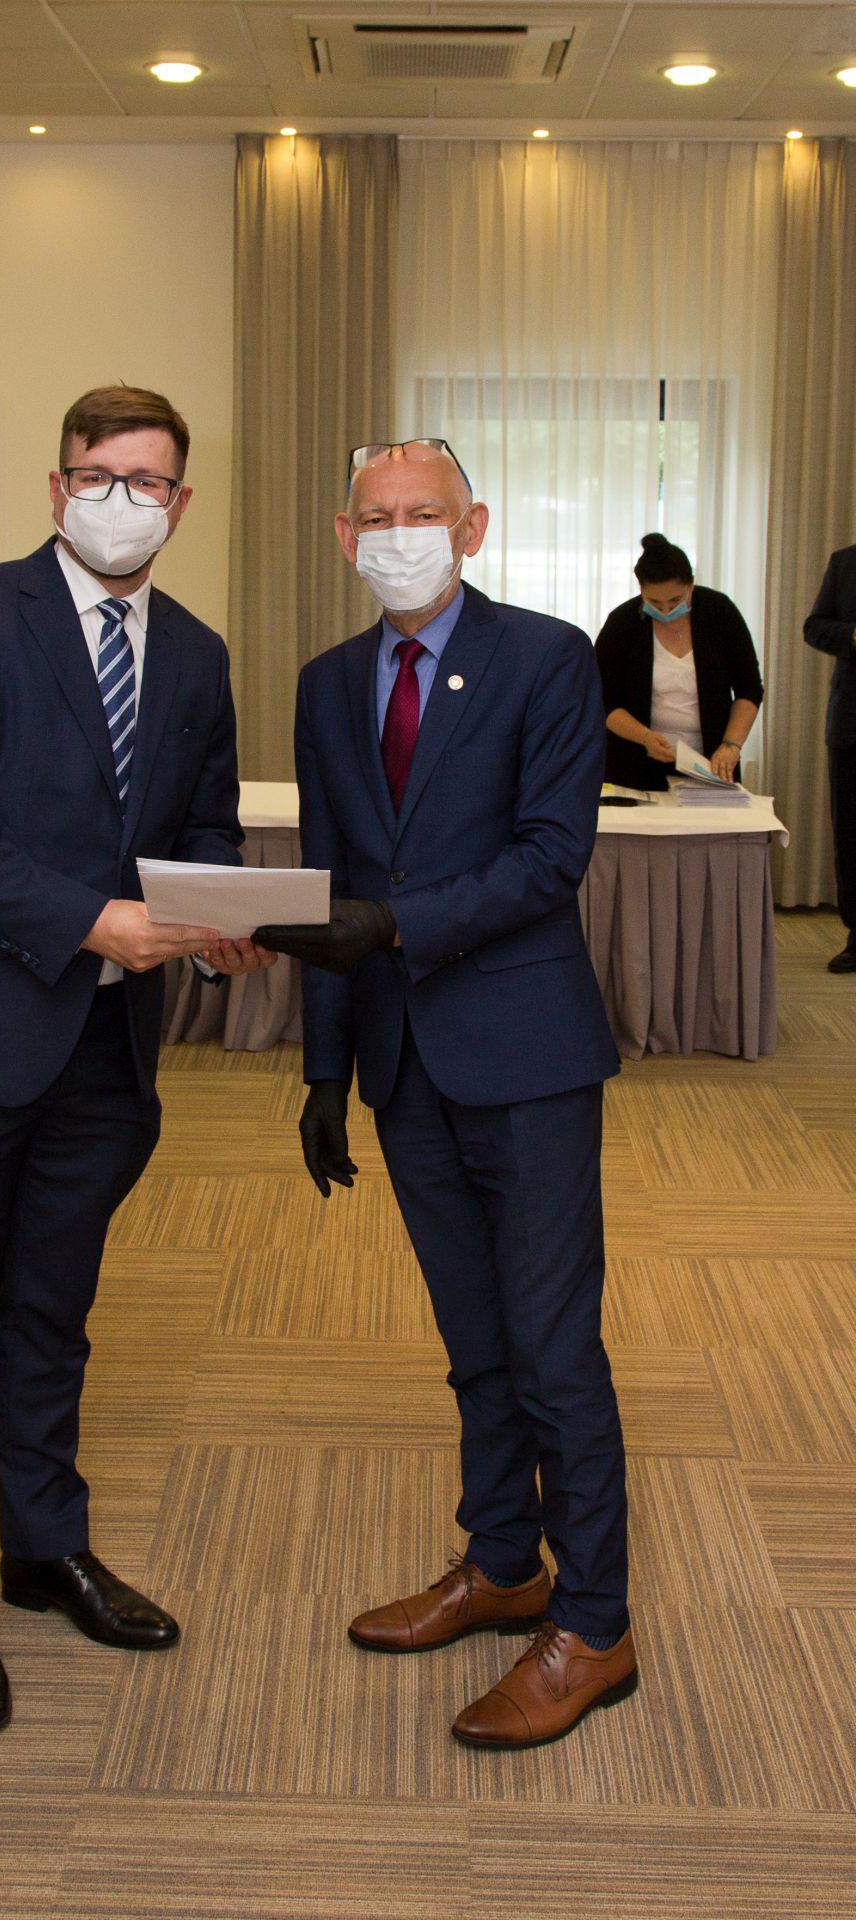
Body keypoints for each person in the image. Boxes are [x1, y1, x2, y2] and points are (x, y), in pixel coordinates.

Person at [0, 384, 272, 1734]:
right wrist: (93, 919)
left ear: (181, 504)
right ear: (56, 487)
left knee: (49, 1311)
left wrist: (222, 918)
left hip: (102, 1044)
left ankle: (42, 1546)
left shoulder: (194, 653)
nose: (120, 502)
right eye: (98, 476)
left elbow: (202, 825)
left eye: (148, 483)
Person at [254, 438, 635, 1750]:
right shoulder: (325, 682)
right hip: (399, 1060)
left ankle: (594, 1624)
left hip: (524, 1056)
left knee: (552, 1349)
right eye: (377, 516)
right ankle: (503, 1562)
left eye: (425, 512)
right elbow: (325, 886)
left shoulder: (546, 657)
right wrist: (322, 1068)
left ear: (472, 528)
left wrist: (396, 926)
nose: (400, 533)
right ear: (343, 534)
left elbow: (551, 855)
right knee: (473, 1338)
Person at [593, 532, 762, 791]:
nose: (666, 611)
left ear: (690, 585)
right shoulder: (623, 622)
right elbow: (603, 700)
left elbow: (749, 688)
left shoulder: (719, 612)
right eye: (655, 602)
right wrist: (645, 737)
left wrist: (731, 745)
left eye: (675, 601)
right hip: (634, 761)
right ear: (641, 589)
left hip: (711, 761)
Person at [804, 544, 856, 973]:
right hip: (851, 727)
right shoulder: (845, 562)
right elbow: (815, 627)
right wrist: (852, 635)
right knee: (851, 839)